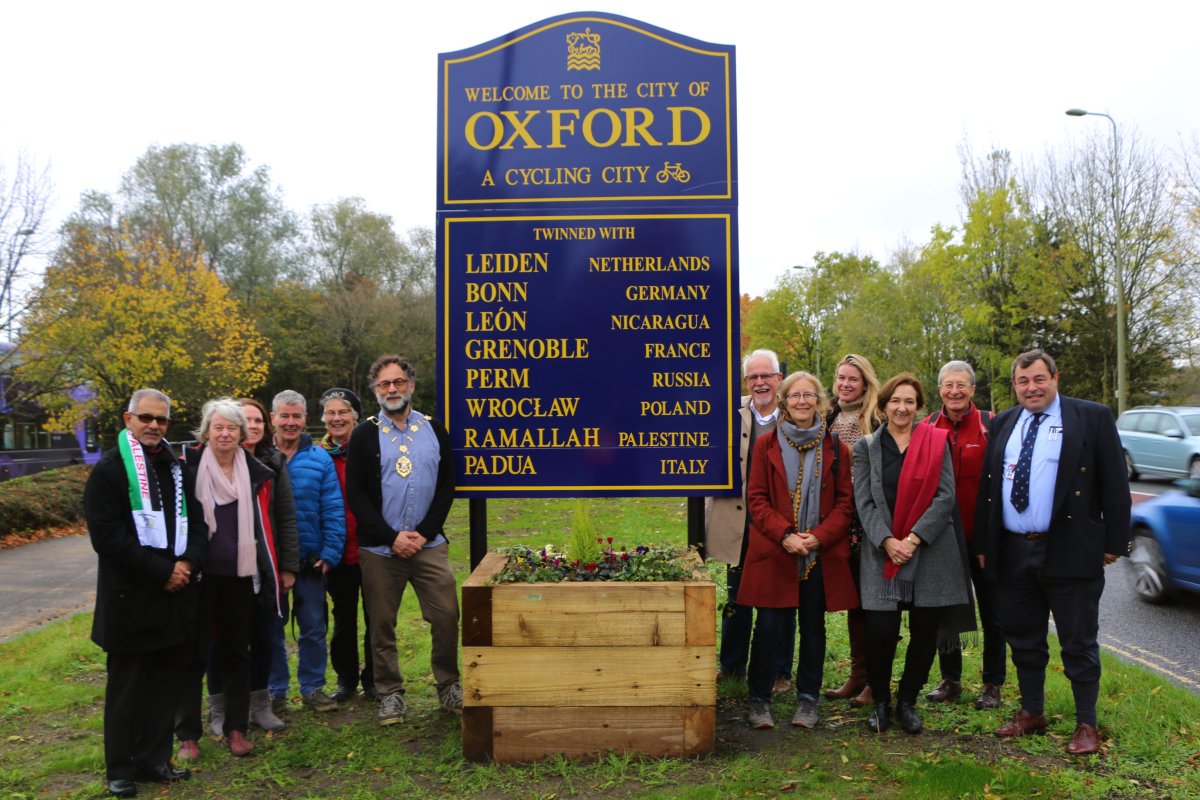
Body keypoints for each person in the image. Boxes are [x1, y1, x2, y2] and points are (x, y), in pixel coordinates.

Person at [976, 349, 1130, 755]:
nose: (1032, 388)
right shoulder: (1005, 422)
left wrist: (1115, 542)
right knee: (1023, 639)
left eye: (1039, 379)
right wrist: (984, 544)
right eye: (1024, 382)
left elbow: (1115, 483)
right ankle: (1032, 712)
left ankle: (1086, 724)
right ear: (1015, 385)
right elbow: (989, 491)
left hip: (1069, 548)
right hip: (1013, 550)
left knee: (1078, 641)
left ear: (1055, 378)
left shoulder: (1091, 417)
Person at [85, 389, 206, 797]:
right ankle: (121, 767)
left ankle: (155, 760)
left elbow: (199, 525)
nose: (154, 426)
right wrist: (162, 572)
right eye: (146, 418)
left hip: (174, 598)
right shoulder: (109, 471)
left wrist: (187, 564)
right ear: (128, 419)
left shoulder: (176, 468)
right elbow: (108, 538)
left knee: (165, 685)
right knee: (128, 690)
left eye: (162, 420)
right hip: (131, 600)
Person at [176, 398, 299, 761]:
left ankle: (236, 730)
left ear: (242, 433)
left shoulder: (258, 469)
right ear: (206, 432)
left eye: (232, 427)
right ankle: (187, 736)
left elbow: (280, 520)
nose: (225, 433)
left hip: (242, 576)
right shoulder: (188, 468)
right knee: (193, 655)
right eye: (218, 427)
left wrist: (284, 566)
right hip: (199, 577)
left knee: (236, 654)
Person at [853, 373, 973, 735]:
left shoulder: (937, 441)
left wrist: (915, 539)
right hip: (882, 552)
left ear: (919, 406)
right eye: (895, 401)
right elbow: (864, 500)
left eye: (909, 401)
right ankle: (881, 705)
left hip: (930, 550)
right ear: (884, 405)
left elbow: (945, 496)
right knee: (881, 631)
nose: (902, 408)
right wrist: (888, 541)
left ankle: (907, 701)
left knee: (925, 632)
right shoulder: (867, 447)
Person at [346, 355, 462, 725]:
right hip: (381, 550)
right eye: (384, 385)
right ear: (376, 390)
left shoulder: (434, 429)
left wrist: (424, 532)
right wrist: (392, 537)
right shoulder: (364, 434)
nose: (392, 389)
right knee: (382, 624)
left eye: (398, 382)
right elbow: (357, 494)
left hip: (428, 545)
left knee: (447, 615)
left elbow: (447, 486)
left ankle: (448, 684)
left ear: (411, 385)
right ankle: (391, 694)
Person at [738, 371, 855, 730]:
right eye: (794, 396)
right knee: (769, 626)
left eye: (809, 396)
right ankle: (759, 700)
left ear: (819, 401)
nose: (802, 402)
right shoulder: (766, 445)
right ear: (784, 402)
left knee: (813, 627)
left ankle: (808, 699)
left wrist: (817, 537)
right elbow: (755, 499)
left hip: (818, 554)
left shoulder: (837, 448)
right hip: (776, 549)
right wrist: (786, 534)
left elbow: (845, 504)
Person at [705, 349, 795, 693]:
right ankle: (731, 665)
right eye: (753, 377)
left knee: (782, 602)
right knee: (737, 597)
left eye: (766, 376)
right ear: (746, 382)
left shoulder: (793, 415)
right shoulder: (729, 412)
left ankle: (779, 672)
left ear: (778, 379)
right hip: (738, 524)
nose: (760, 383)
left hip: (781, 525)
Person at [921, 360, 1006, 710]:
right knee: (946, 613)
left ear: (972, 389)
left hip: (983, 539)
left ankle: (992, 683)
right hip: (942, 540)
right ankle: (951, 679)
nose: (954, 391)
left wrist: (995, 537)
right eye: (948, 385)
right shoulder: (926, 426)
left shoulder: (991, 425)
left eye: (962, 385)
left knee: (993, 612)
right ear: (939, 389)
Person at [269, 390, 345, 713]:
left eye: (296, 416)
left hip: (310, 560)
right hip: (269, 563)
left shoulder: (319, 459)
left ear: (305, 420)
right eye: (284, 416)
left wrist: (329, 554)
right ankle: (275, 691)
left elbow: (333, 510)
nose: (290, 422)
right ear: (273, 418)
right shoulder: (258, 457)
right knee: (271, 628)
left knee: (314, 627)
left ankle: (313, 687)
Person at [824, 354, 884, 709]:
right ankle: (858, 673)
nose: (846, 384)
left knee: (875, 601)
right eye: (841, 377)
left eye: (853, 379)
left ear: (865, 384)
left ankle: (876, 679)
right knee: (855, 602)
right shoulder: (828, 415)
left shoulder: (875, 417)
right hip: (839, 518)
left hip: (868, 519)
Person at [318, 387, 376, 702]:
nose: (337, 418)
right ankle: (346, 678)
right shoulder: (318, 454)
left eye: (343, 412)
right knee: (343, 618)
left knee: (375, 617)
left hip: (370, 547)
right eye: (331, 413)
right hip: (337, 551)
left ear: (354, 416)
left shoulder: (370, 448)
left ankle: (374, 679)